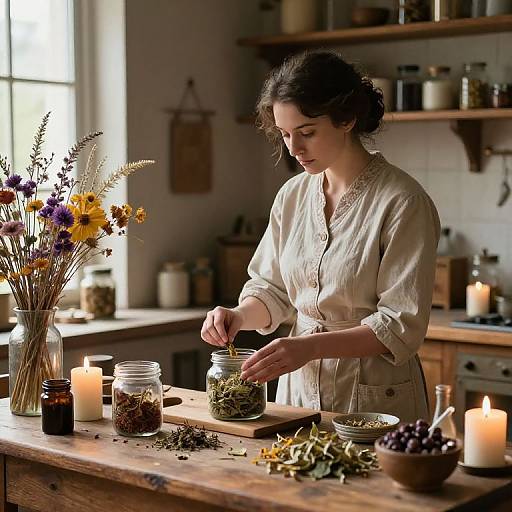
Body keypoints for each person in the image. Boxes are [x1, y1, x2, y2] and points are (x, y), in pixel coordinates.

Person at [201, 50, 440, 422]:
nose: (293, 149)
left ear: (346, 118)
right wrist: (238, 315)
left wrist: (308, 347)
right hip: (297, 392)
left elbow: (398, 325)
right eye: (284, 134)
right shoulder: (292, 196)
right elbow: (272, 289)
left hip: (375, 398)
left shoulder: (403, 201)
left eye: (307, 133)